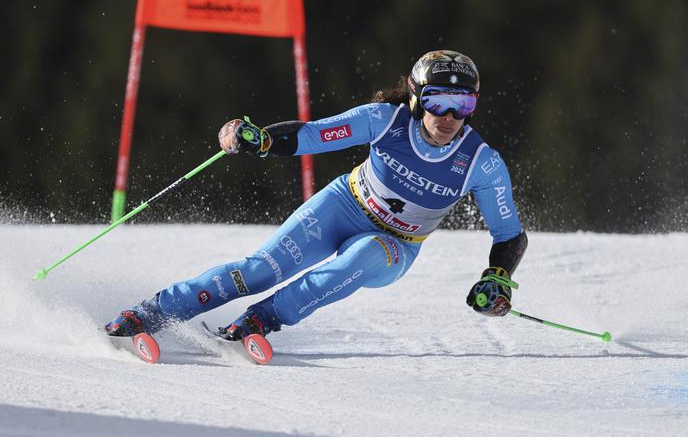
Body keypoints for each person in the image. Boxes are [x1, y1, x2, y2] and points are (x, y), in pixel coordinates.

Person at [104, 50, 528, 341]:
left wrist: (498, 277)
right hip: (344, 204)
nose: (450, 116)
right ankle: (151, 313)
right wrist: (261, 140)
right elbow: (312, 135)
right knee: (258, 271)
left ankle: (261, 320)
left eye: (463, 104)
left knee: (361, 256)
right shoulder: (383, 120)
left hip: (396, 244)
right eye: (438, 101)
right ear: (418, 99)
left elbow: (509, 233)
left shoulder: (481, 163)